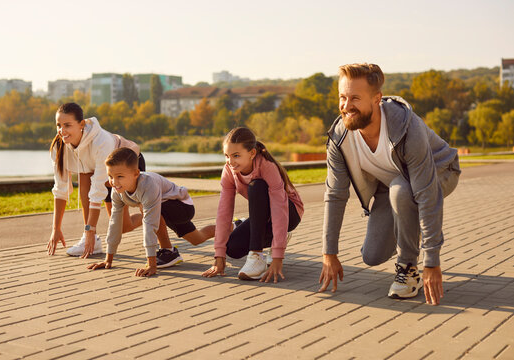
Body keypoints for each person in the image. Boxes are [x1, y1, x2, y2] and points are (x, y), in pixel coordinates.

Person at [318, 63, 461, 305]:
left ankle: (407, 269)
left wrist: (431, 260)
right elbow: (335, 195)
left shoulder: (407, 127)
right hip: (392, 185)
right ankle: (413, 229)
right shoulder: (340, 137)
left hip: (440, 171)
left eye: (355, 98)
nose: (346, 105)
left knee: (403, 191)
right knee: (371, 256)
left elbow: (426, 195)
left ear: (377, 99)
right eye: (342, 97)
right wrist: (329, 253)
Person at [87, 147, 215, 276]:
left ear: (136, 173)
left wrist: (151, 265)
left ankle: (168, 252)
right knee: (197, 239)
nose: (114, 182)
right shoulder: (117, 191)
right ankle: (231, 227)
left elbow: (150, 224)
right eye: (110, 176)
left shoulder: (148, 185)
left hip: (182, 207)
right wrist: (108, 259)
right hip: (165, 209)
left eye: (120, 176)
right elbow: (115, 223)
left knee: (147, 210)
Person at [202, 127, 304, 282]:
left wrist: (278, 256)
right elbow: (224, 211)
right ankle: (279, 237)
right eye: (227, 156)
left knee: (256, 186)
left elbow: (279, 209)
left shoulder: (267, 166)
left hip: (290, 212)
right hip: (265, 216)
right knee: (233, 248)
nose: (230, 162)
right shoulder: (229, 170)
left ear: (252, 153)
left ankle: (256, 256)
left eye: (236, 156)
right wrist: (219, 254)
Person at [46, 102, 145, 258]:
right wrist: (56, 229)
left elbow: (97, 189)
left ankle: (157, 213)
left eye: (67, 125)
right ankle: (90, 238)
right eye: (58, 125)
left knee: (124, 226)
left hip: (127, 166)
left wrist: (90, 228)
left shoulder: (101, 141)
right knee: (84, 176)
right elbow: (60, 189)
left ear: (82, 124)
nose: (61, 130)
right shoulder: (59, 148)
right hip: (99, 174)